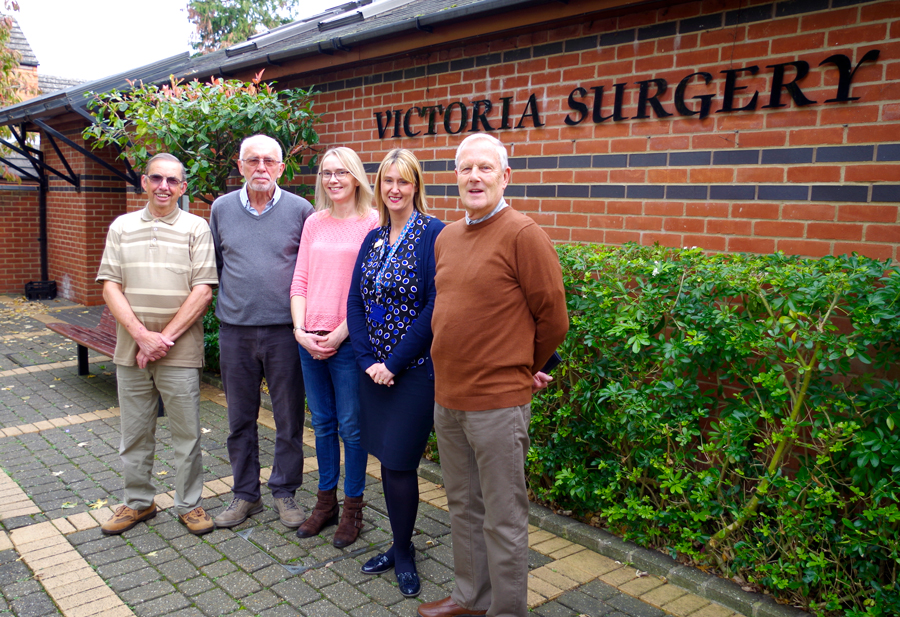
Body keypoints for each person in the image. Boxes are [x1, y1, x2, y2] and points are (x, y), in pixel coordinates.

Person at [418, 134, 569, 617]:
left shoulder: (523, 234)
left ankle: (506, 610)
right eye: (466, 169)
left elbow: (554, 319)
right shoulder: (447, 237)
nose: (474, 177)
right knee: (463, 507)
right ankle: (470, 597)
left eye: (486, 168)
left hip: (498, 405)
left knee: (503, 518)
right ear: (456, 177)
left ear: (505, 177)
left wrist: (524, 367)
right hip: (449, 399)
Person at [96, 153, 218, 536]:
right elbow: (110, 286)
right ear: (145, 183)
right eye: (156, 179)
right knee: (134, 432)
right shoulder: (122, 226)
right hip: (130, 349)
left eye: (172, 181)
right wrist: (142, 337)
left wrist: (161, 340)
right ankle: (138, 502)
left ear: (183, 187)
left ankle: (189, 504)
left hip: (179, 351)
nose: (164, 186)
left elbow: (203, 292)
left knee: (186, 433)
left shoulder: (197, 228)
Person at [347, 149, 444, 598]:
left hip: (413, 372)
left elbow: (433, 307)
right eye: (387, 180)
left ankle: (404, 553)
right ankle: (397, 542)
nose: (395, 189)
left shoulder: (434, 235)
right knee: (386, 461)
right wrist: (368, 361)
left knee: (402, 463)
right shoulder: (374, 238)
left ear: (416, 185)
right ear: (379, 186)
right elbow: (356, 304)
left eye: (404, 181)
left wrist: (393, 363)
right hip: (373, 374)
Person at [209, 135, 314, 529]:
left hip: (285, 333)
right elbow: (218, 266)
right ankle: (245, 495)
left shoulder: (301, 210)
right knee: (239, 419)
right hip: (235, 331)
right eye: (252, 160)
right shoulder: (220, 209)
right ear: (240, 166)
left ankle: (284, 492)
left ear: (281, 168)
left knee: (288, 419)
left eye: (269, 161)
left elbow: (309, 269)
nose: (261, 168)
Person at [290, 147, 379, 547]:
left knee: (352, 427)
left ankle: (353, 510)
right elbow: (300, 281)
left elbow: (372, 291)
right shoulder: (314, 222)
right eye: (326, 173)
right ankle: (324, 504)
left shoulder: (374, 222)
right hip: (309, 337)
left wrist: (342, 333)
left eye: (342, 172)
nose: (334, 179)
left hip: (348, 342)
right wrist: (299, 330)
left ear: (357, 176)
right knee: (323, 424)